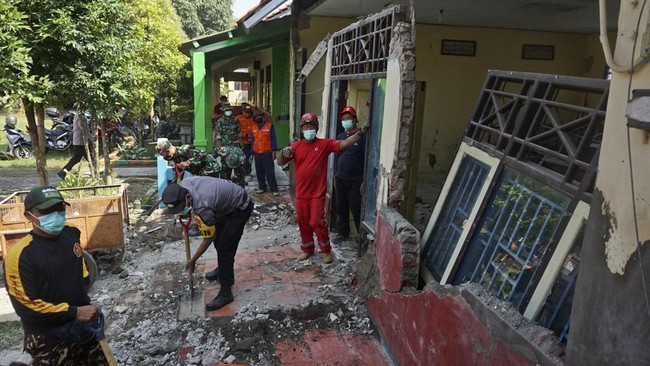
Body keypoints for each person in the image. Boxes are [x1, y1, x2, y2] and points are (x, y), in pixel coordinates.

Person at [2, 186, 108, 365]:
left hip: (83, 324)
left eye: (59, 208)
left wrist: (83, 304)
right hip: (47, 336)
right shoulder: (19, 256)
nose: (56, 214)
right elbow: (26, 306)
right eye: (47, 210)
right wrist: (74, 312)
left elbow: (81, 271)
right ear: (28, 215)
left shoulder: (71, 232)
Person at [276, 113, 368, 263]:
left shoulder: (324, 144)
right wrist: (282, 153)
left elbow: (343, 144)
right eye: (306, 127)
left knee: (317, 222)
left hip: (317, 194)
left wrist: (360, 134)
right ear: (301, 129)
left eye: (311, 127)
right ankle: (307, 249)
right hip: (301, 194)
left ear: (316, 128)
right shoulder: (295, 146)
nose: (309, 129)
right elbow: (280, 162)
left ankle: (326, 250)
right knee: (303, 222)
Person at [161, 176, 254, 311]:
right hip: (224, 204)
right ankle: (223, 268)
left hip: (240, 207)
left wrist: (193, 260)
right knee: (220, 241)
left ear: (188, 198)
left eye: (181, 207)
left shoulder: (203, 206)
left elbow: (208, 238)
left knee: (225, 248)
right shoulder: (183, 185)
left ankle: (226, 292)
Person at [333, 106, 365, 241]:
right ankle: (343, 233)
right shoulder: (340, 137)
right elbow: (336, 157)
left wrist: (364, 180)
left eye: (348, 118)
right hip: (340, 177)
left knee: (355, 207)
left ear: (355, 119)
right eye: (344, 119)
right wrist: (335, 173)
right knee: (341, 206)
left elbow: (366, 158)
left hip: (355, 179)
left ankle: (361, 236)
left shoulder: (362, 137)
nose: (346, 121)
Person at [156, 138, 221, 181]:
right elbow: (179, 173)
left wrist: (188, 162)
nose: (164, 157)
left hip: (210, 167)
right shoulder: (174, 157)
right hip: (201, 171)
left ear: (168, 151)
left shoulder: (183, 151)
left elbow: (202, 155)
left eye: (163, 154)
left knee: (209, 189)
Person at [215, 103, 246, 185]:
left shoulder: (235, 120)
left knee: (238, 167)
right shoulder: (220, 121)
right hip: (225, 148)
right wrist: (219, 149)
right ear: (223, 111)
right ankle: (225, 186)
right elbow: (218, 136)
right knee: (225, 170)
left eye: (229, 110)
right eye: (226, 110)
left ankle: (240, 184)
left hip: (235, 147)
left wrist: (241, 144)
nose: (228, 111)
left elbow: (239, 133)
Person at [250, 112, 279, 196]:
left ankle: (274, 189)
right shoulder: (253, 127)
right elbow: (253, 141)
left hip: (267, 153)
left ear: (263, 118)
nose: (258, 118)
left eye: (260, 116)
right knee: (259, 172)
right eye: (256, 117)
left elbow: (273, 138)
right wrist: (251, 154)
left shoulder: (270, 126)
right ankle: (262, 187)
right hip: (257, 153)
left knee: (269, 171)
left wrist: (274, 151)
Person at [58, 113, 91, 180]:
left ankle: (63, 172)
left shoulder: (81, 116)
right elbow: (84, 129)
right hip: (80, 142)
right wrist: (92, 138)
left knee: (76, 158)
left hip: (79, 141)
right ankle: (95, 172)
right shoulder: (80, 116)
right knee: (90, 158)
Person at [236, 103, 254, 174]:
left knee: (249, 158)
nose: (248, 114)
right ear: (242, 111)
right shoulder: (237, 118)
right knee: (243, 159)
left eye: (249, 112)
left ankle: (248, 172)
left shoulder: (253, 118)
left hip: (251, 142)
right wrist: (245, 135)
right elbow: (236, 131)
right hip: (242, 142)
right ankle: (242, 173)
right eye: (246, 112)